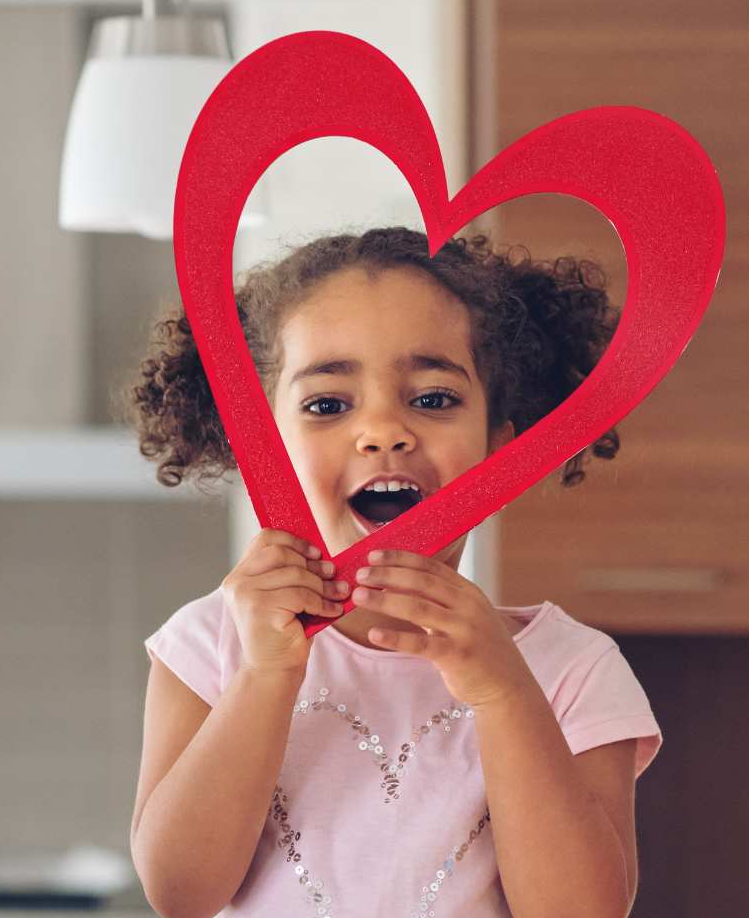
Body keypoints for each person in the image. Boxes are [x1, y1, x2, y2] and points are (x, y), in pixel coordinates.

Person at [125, 226, 663, 917]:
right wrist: (265, 679)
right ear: (262, 441)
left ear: (505, 441)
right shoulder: (209, 645)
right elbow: (180, 893)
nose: (383, 430)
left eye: (434, 398)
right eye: (327, 404)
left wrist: (503, 692)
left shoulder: (571, 669)